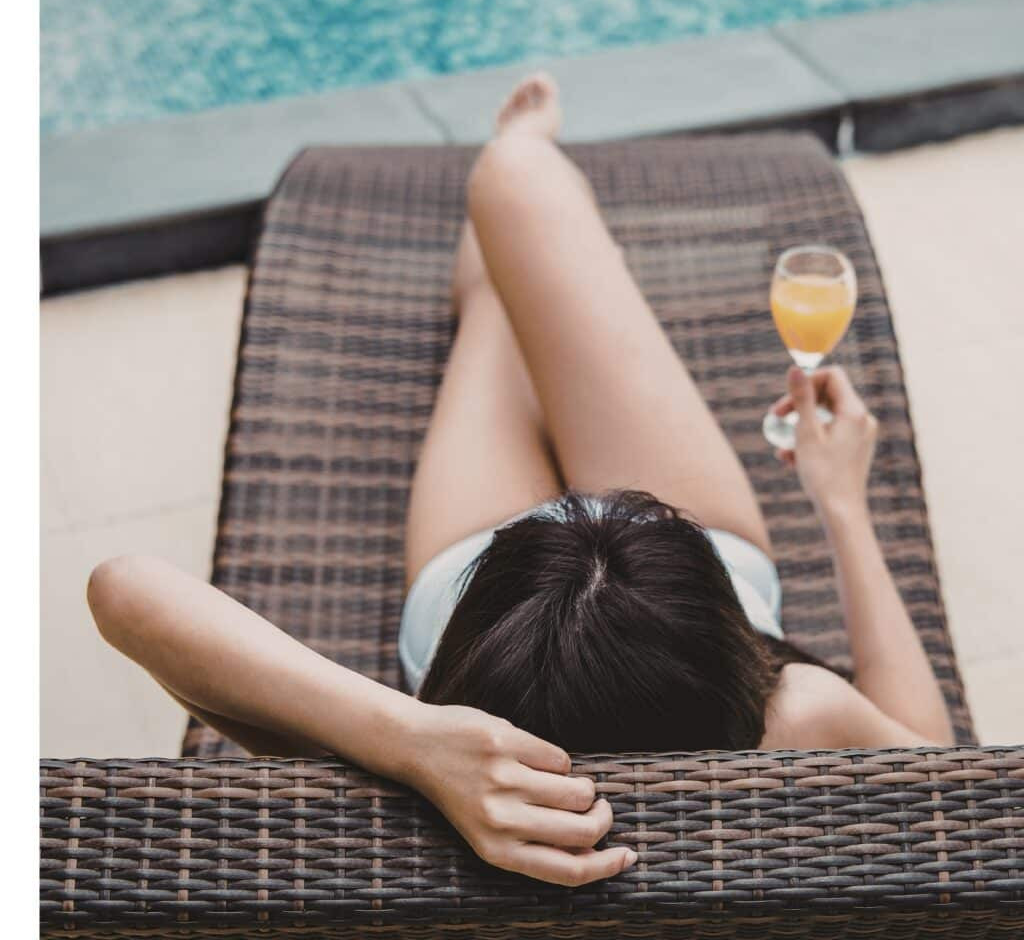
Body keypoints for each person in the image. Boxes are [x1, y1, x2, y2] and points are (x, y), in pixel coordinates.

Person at [87, 72, 953, 890]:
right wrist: (843, 504)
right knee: (517, 197)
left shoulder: (422, 780)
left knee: (507, 241)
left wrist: (411, 740)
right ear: (731, 651)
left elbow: (125, 593)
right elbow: (944, 774)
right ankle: (522, 220)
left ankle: (507, 246)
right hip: (586, 600)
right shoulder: (792, 718)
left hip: (497, 582)